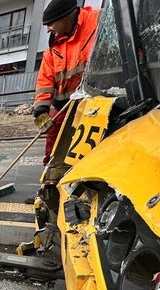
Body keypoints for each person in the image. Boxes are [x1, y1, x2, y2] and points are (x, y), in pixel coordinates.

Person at [34, 0, 100, 166]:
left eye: (50, 24)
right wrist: (41, 110)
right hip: (64, 105)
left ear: (64, 18)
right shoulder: (53, 48)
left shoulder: (98, 22)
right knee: (54, 140)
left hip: (95, 100)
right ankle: (50, 179)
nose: (48, 29)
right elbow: (45, 80)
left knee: (91, 147)